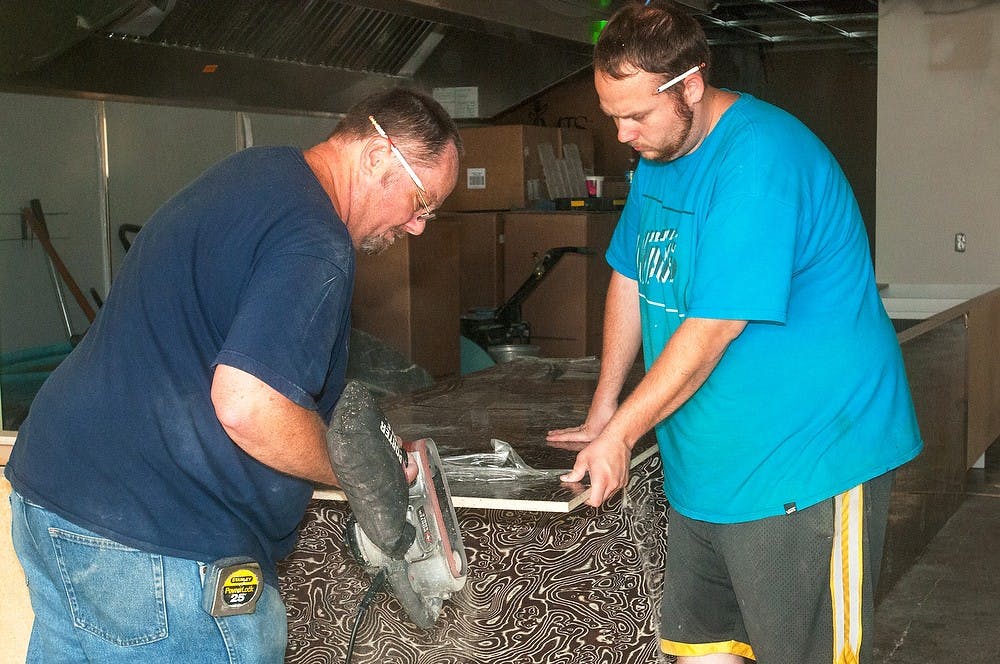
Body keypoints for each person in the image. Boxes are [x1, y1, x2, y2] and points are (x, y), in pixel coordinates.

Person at [5, 87, 462, 663]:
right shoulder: (317, 243)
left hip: (58, 496)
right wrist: (355, 472)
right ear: (376, 156)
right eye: (421, 201)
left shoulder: (261, 172)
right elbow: (248, 405)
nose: (419, 226)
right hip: (161, 542)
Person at [547, 3, 922, 663]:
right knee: (705, 651)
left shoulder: (760, 161)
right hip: (709, 470)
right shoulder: (659, 156)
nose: (623, 134)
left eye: (635, 115)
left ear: (690, 84)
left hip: (807, 463)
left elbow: (713, 328)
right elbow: (633, 276)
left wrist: (624, 434)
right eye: (613, 116)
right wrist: (604, 406)